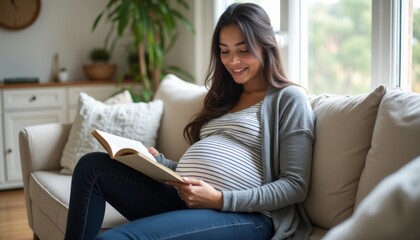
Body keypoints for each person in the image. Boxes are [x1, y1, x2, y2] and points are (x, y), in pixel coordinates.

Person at [65, 3, 315, 240]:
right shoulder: (225, 98)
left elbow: (294, 186)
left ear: (265, 46)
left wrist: (219, 199)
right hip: (183, 200)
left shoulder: (289, 99)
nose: (233, 61)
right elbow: (198, 174)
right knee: (92, 167)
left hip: (246, 217)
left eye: (243, 50)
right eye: (225, 51)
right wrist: (158, 164)